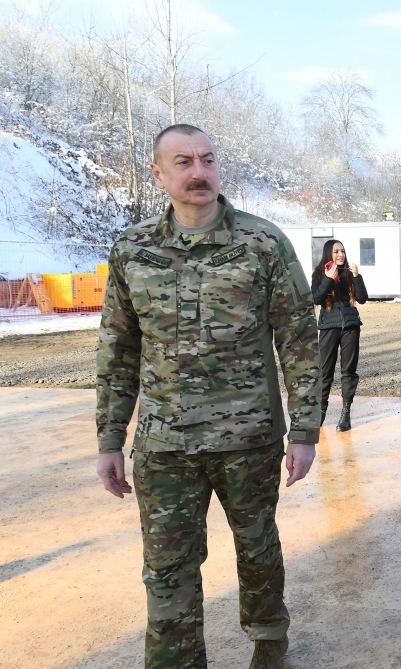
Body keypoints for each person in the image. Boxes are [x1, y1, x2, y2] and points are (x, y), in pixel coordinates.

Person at [95, 123, 320, 669]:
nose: (198, 172)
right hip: (165, 445)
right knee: (167, 567)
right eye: (182, 162)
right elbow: (118, 348)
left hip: (249, 439)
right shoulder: (132, 250)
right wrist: (109, 438)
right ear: (158, 173)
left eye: (207, 160)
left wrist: (306, 430)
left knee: (258, 550)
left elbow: (298, 339)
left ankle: (269, 642)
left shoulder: (262, 243)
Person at [311, 239, 368, 431]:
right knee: (324, 372)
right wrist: (328, 278)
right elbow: (316, 298)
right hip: (329, 327)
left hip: (351, 326)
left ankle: (345, 414)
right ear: (329, 254)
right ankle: (320, 413)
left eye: (342, 251)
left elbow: (362, 298)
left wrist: (357, 277)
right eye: (336, 252)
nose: (340, 255)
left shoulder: (349, 274)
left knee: (348, 372)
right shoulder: (319, 273)